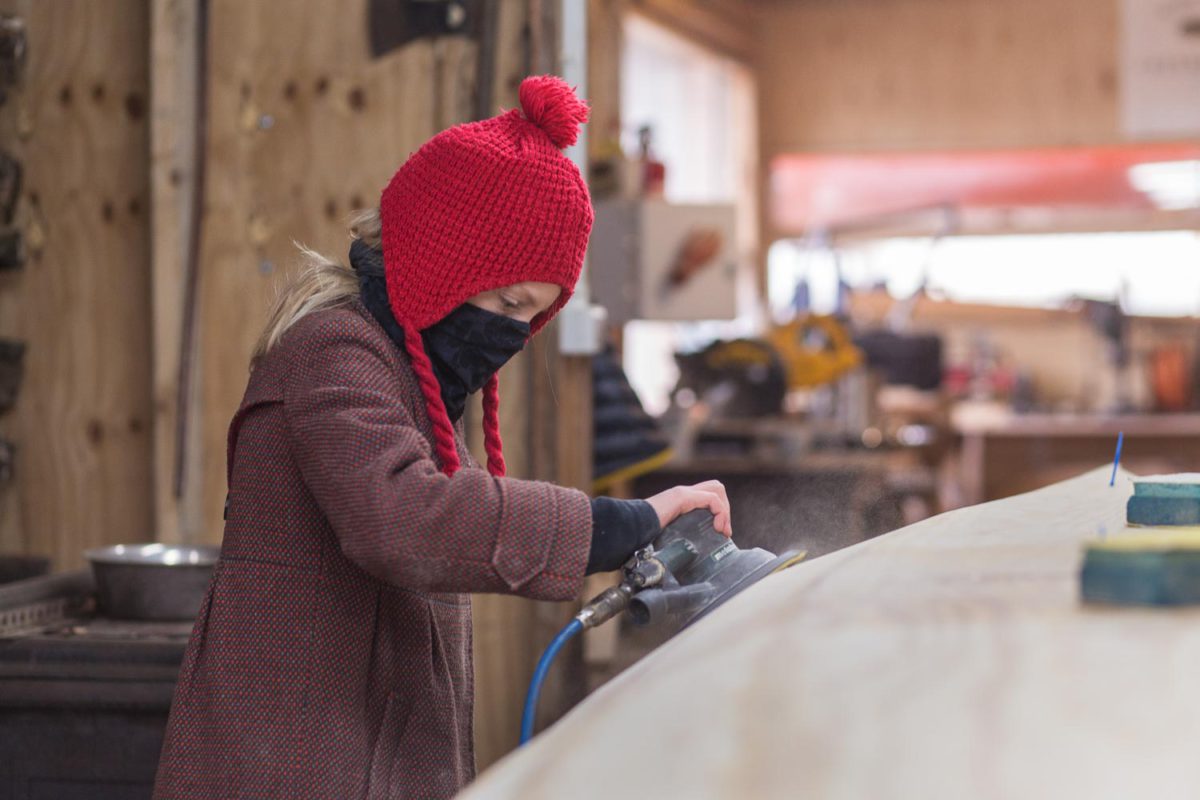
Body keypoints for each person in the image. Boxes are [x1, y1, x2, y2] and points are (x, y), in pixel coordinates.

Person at [152, 75, 732, 800]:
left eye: (534, 315)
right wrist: (616, 525)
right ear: (438, 264)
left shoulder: (412, 371)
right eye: (507, 302)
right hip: (287, 768)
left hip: (357, 760)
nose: (514, 335)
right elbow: (399, 517)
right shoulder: (336, 351)